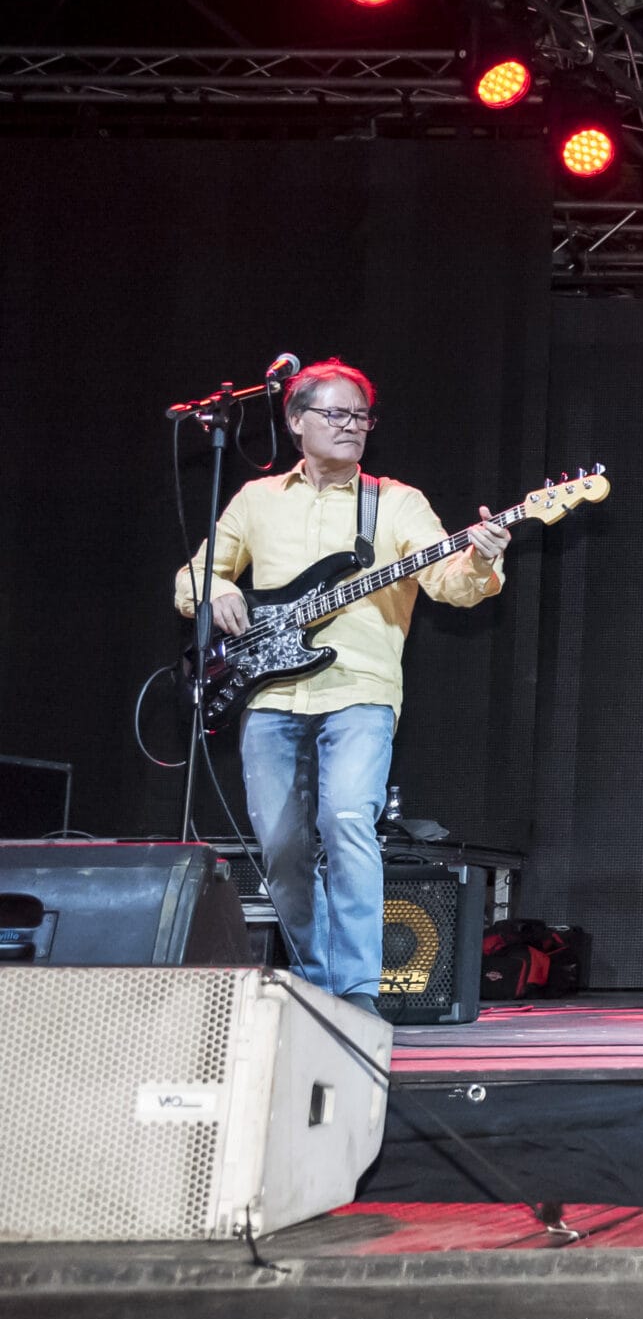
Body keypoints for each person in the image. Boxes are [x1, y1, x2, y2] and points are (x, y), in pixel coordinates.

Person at [172, 360, 509, 1015]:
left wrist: (483, 554)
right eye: (336, 413)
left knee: (348, 819)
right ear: (296, 421)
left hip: (361, 689)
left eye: (361, 416)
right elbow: (191, 577)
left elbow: (450, 584)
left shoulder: (396, 502)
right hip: (269, 696)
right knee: (281, 847)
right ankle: (318, 983)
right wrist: (216, 591)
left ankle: (357, 992)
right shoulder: (257, 500)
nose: (352, 425)